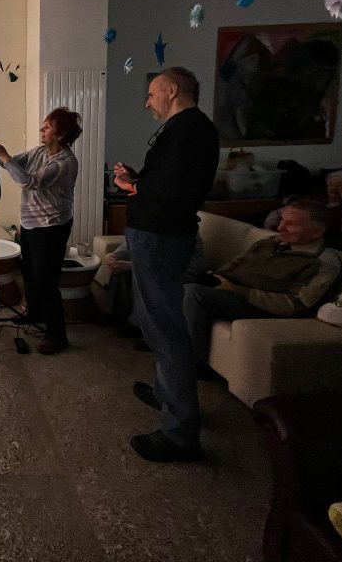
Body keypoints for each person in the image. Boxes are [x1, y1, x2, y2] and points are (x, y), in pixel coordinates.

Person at [114, 67, 219, 463]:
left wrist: (133, 186)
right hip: (158, 234)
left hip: (160, 237)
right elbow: (167, 181)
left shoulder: (190, 130)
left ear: (172, 90)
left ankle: (179, 433)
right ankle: (165, 394)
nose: (148, 102)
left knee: (164, 329)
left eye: (151, 94)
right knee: (159, 323)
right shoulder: (187, 130)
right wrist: (137, 180)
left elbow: (172, 188)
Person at [183, 199, 341, 362]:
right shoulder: (269, 243)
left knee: (192, 293)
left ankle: (189, 364)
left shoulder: (323, 262)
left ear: (316, 232)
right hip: (232, 293)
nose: (280, 228)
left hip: (261, 309)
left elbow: (296, 305)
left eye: (291, 224)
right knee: (176, 285)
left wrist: (237, 290)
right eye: (282, 220)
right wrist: (215, 277)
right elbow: (235, 264)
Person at [0, 108, 82, 355]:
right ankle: (35, 313)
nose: (41, 129)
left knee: (46, 280)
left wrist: (4, 156)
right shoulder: (39, 151)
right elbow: (13, 164)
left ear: (61, 135)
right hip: (30, 223)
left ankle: (57, 336)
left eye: (47, 127)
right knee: (28, 273)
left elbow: (29, 182)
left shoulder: (65, 163)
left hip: (51, 227)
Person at [105, 233, 206, 343]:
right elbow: (132, 245)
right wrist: (113, 256)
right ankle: (116, 313)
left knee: (146, 276)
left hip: (181, 277)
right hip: (154, 269)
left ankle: (140, 326)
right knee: (119, 264)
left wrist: (132, 266)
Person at [264, 170, 342, 234]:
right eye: (331, 184)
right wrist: (271, 229)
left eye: (341, 186)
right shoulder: (317, 199)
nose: (333, 188)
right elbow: (277, 212)